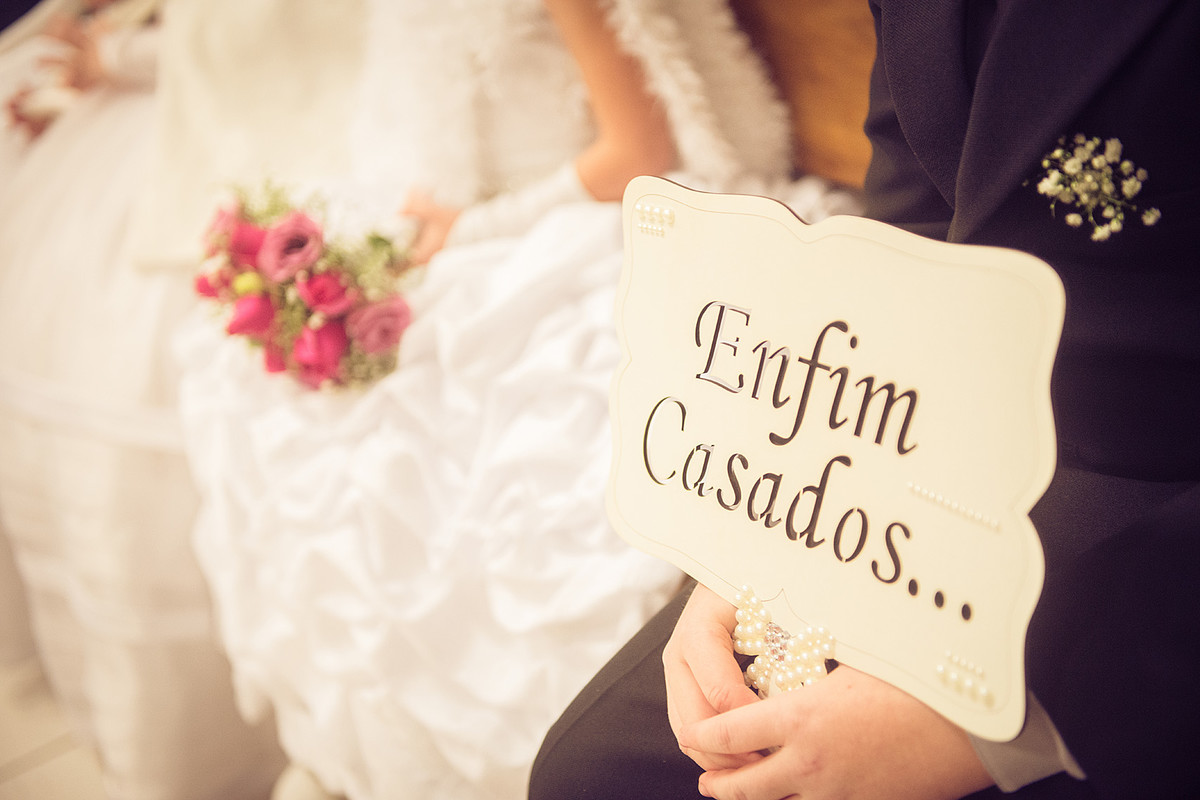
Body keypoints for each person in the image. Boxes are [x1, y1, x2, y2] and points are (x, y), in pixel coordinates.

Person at [144, 0, 861, 798]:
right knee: (291, 413)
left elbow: (637, 151)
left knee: (500, 463)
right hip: (462, 217)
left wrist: (474, 231)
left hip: (579, 217)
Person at [528, 0, 1200, 798]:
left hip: (1145, 556)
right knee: (591, 776)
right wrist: (763, 532)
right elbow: (912, 211)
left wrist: (1009, 724)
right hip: (917, 471)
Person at [0, 1, 288, 797]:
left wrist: (119, 53)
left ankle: (234, 743)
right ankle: (141, 733)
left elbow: (305, 40)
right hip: (126, 139)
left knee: (180, 446)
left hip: (247, 134)